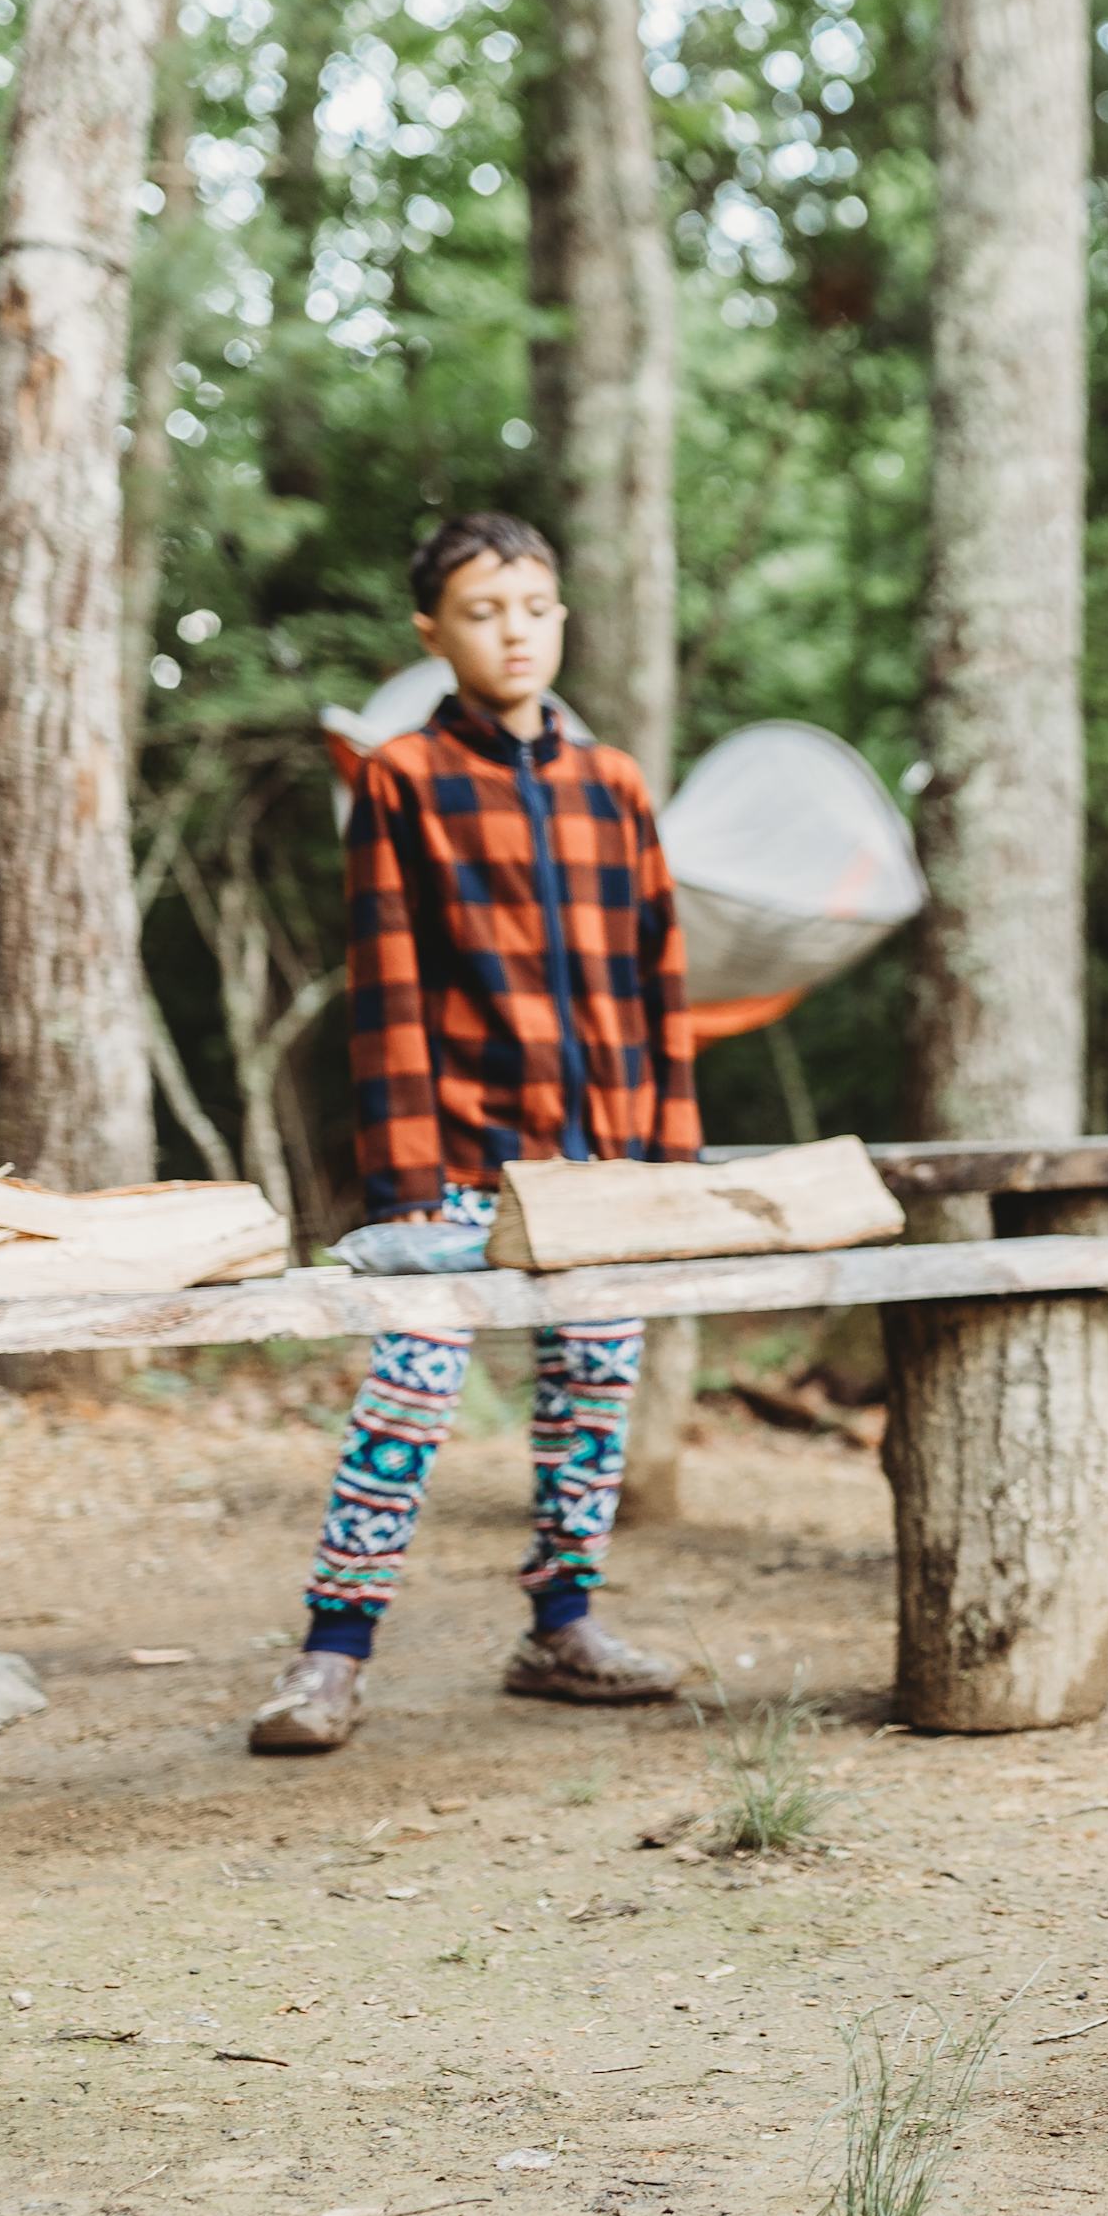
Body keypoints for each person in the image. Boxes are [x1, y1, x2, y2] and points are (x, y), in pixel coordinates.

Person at [248, 513, 703, 1755]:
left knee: (592, 1390)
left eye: (536, 609)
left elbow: (662, 984)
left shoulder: (612, 786)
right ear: (434, 632)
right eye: (485, 611)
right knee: (412, 1385)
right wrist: (406, 1185)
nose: (515, 633)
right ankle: (331, 1653)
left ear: (562, 619)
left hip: (602, 1159)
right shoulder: (402, 779)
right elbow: (389, 991)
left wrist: (661, 1160)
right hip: (461, 1161)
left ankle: (563, 1625)